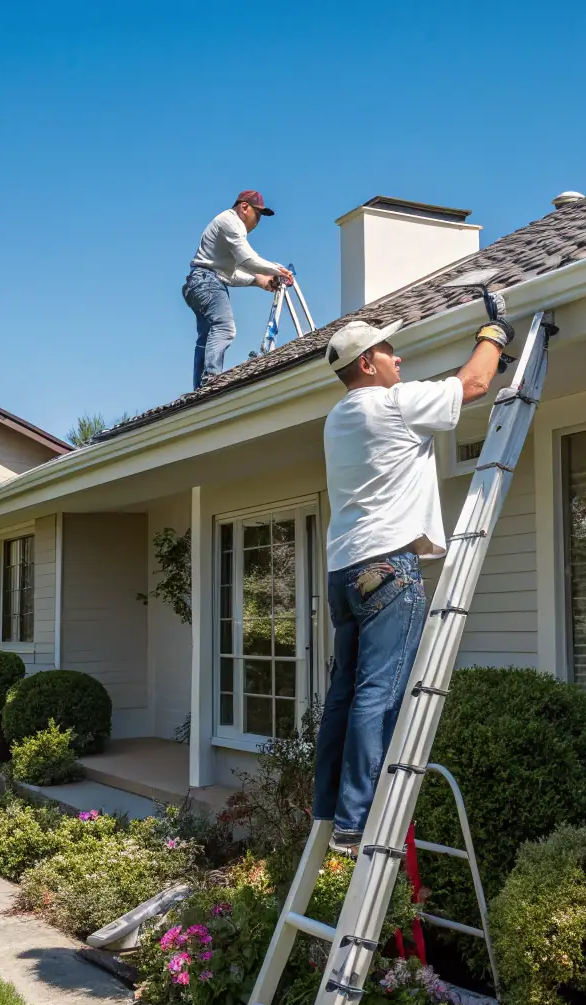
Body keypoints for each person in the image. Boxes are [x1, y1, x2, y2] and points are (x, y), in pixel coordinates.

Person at [313, 311, 513, 850]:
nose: (397, 357)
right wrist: (492, 335)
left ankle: (331, 809)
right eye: (388, 350)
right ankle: (358, 821)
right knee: (380, 692)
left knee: (345, 695)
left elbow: (444, 390)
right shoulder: (393, 405)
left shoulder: (338, 418)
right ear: (367, 363)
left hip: (345, 571)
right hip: (387, 569)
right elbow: (472, 384)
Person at [184, 190, 293, 390]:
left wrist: (258, 281)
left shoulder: (225, 229)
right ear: (244, 207)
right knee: (225, 328)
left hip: (199, 283)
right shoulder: (231, 222)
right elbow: (247, 259)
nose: (258, 221)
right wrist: (278, 270)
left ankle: (199, 388)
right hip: (206, 281)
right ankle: (212, 379)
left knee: (207, 336)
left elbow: (229, 274)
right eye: (257, 214)